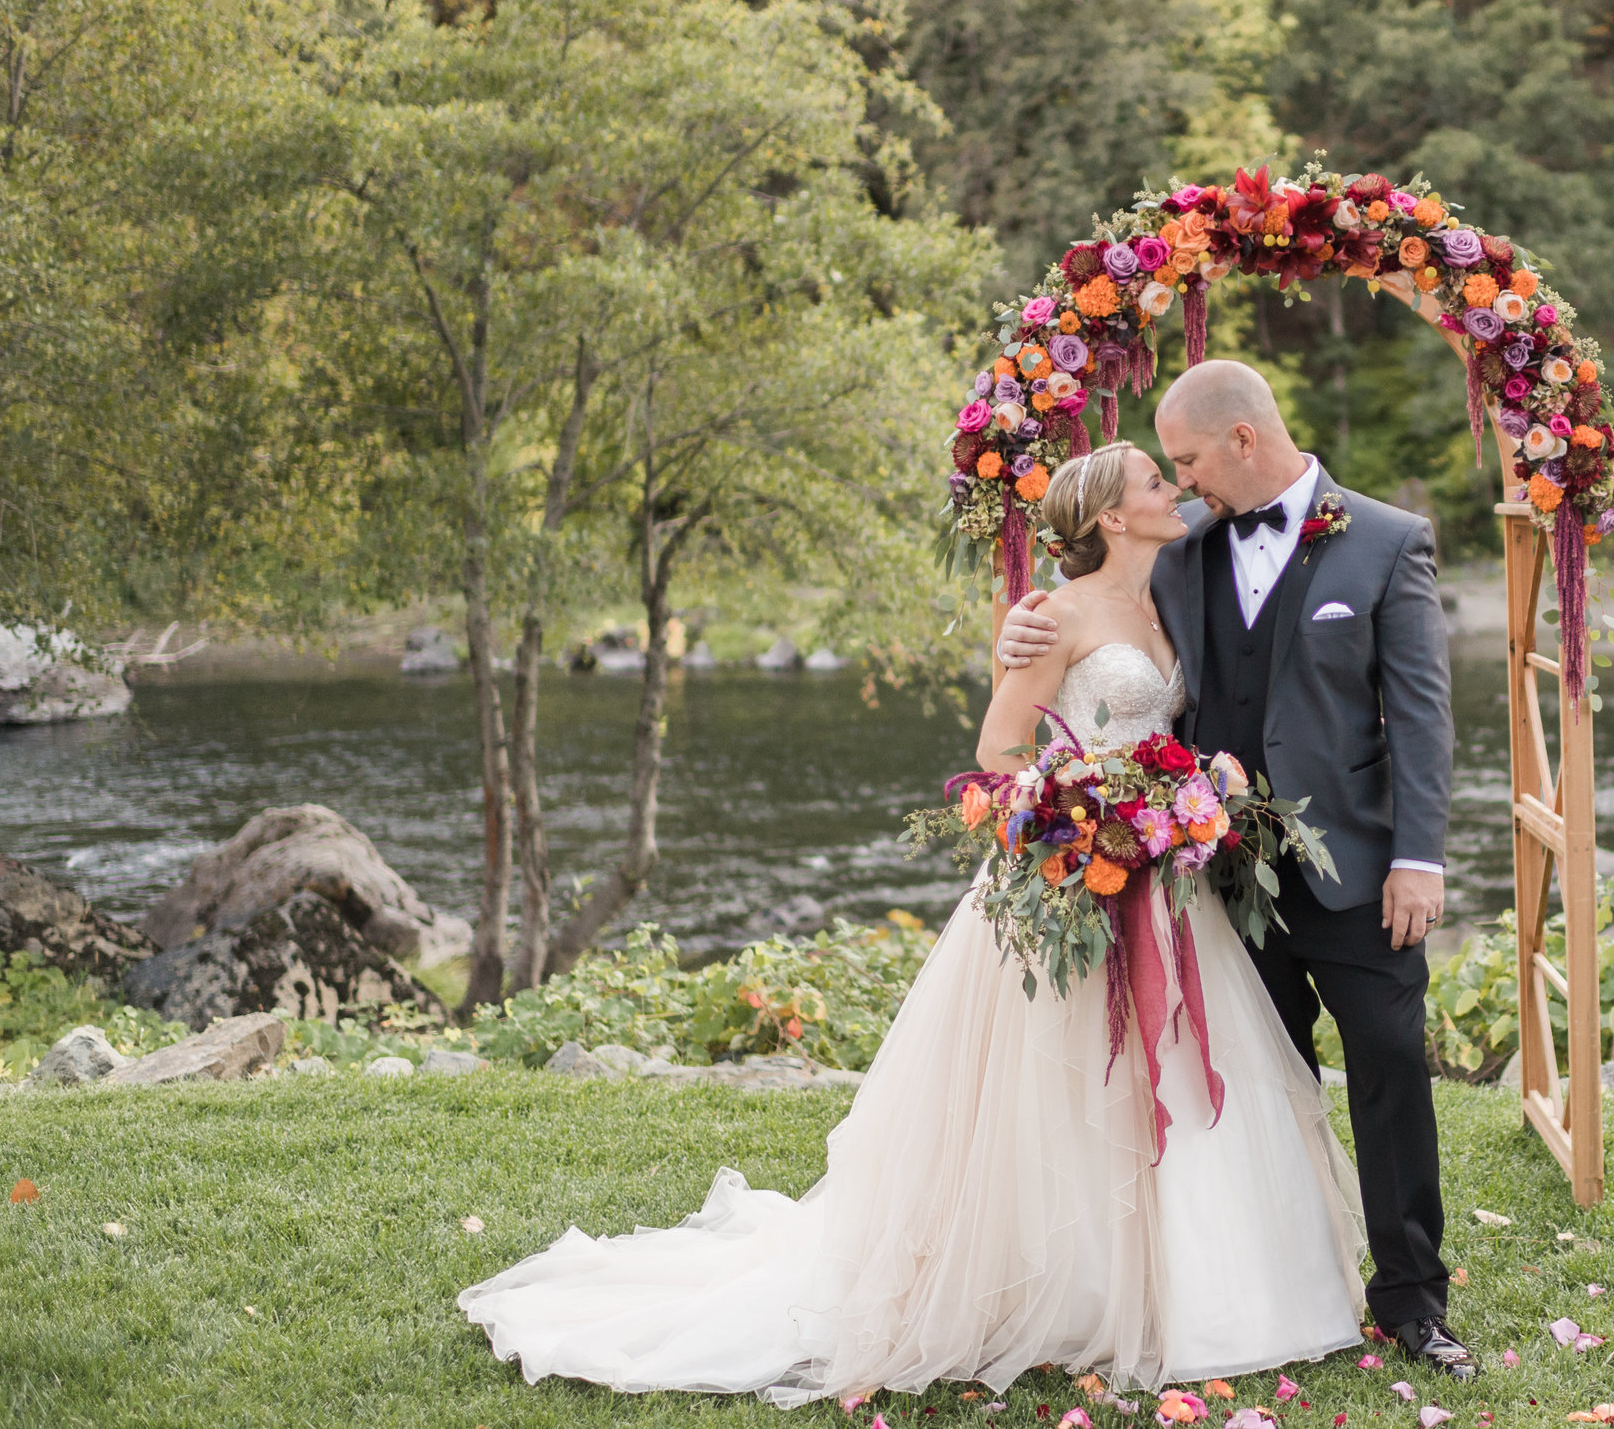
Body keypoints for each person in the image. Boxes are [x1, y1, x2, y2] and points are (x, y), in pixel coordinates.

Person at [459, 441, 1367, 1407]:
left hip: (1164, 879)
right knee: (1055, 1091)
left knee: (1177, 1072)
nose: (1174, 488)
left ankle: (1209, 1289)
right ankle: (1064, 1285)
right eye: (1155, 480)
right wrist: (1094, 802)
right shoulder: (1054, 615)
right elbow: (999, 746)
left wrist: (1186, 792)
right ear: (1111, 514)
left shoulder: (1171, 591)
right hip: (1072, 871)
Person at [997, 360, 1474, 1382]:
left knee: (1389, 1072)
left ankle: (1413, 1300)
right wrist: (1019, 633)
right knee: (1258, 1091)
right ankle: (1279, 1282)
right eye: (1165, 470)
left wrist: (1418, 857)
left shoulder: (1388, 541)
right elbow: (1095, 635)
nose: (1181, 481)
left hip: (1355, 869)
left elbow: (1424, 717)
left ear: (1243, 440)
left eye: (1188, 460)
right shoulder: (1184, 548)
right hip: (1210, 885)